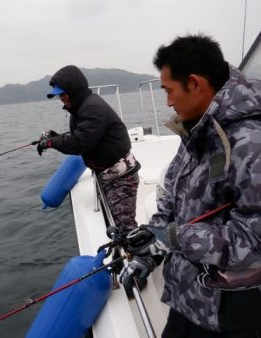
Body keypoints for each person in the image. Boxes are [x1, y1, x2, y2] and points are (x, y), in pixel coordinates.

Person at [120, 34, 261, 337]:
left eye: (169, 90)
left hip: (232, 313)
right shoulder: (199, 126)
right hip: (189, 299)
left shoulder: (252, 144)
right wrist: (152, 245)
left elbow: (255, 238)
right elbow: (173, 194)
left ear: (195, 83)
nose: (168, 101)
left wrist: (176, 238)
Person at [37, 65, 140, 233]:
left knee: (127, 229)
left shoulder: (92, 107)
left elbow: (79, 143)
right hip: (109, 176)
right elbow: (82, 134)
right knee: (115, 224)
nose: (61, 99)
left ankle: (144, 257)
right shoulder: (81, 107)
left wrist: (51, 142)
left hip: (121, 179)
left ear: (74, 90)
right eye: (59, 96)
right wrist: (54, 136)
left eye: (63, 94)